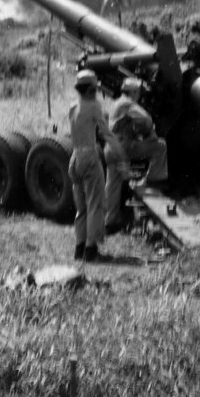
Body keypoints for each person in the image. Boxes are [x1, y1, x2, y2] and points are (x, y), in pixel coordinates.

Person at [68, 70, 125, 262]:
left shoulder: (72, 107)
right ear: (92, 89)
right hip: (89, 157)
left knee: (81, 207)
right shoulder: (94, 106)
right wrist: (121, 155)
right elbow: (106, 134)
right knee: (96, 204)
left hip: (74, 158)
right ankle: (91, 251)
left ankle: (79, 249)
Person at [104, 77, 169, 234]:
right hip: (124, 147)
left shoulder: (116, 103)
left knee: (112, 185)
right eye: (138, 92)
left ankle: (110, 220)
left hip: (110, 149)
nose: (139, 95)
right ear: (133, 92)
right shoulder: (128, 103)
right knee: (160, 146)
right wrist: (149, 133)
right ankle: (152, 181)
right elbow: (146, 118)